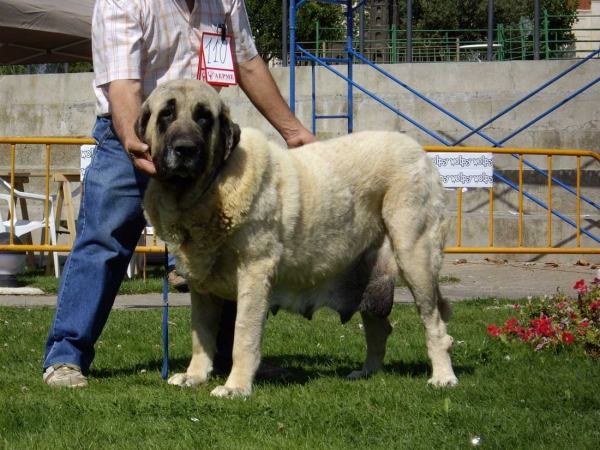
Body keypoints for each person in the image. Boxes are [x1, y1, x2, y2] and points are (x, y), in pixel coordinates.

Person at [43, 0, 316, 387]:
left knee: (223, 248)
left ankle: (227, 359)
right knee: (104, 242)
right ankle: (65, 357)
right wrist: (134, 141)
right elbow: (125, 84)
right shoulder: (124, 2)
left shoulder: (226, 1)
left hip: (205, 140)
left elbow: (248, 62)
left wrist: (293, 131)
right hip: (137, 133)